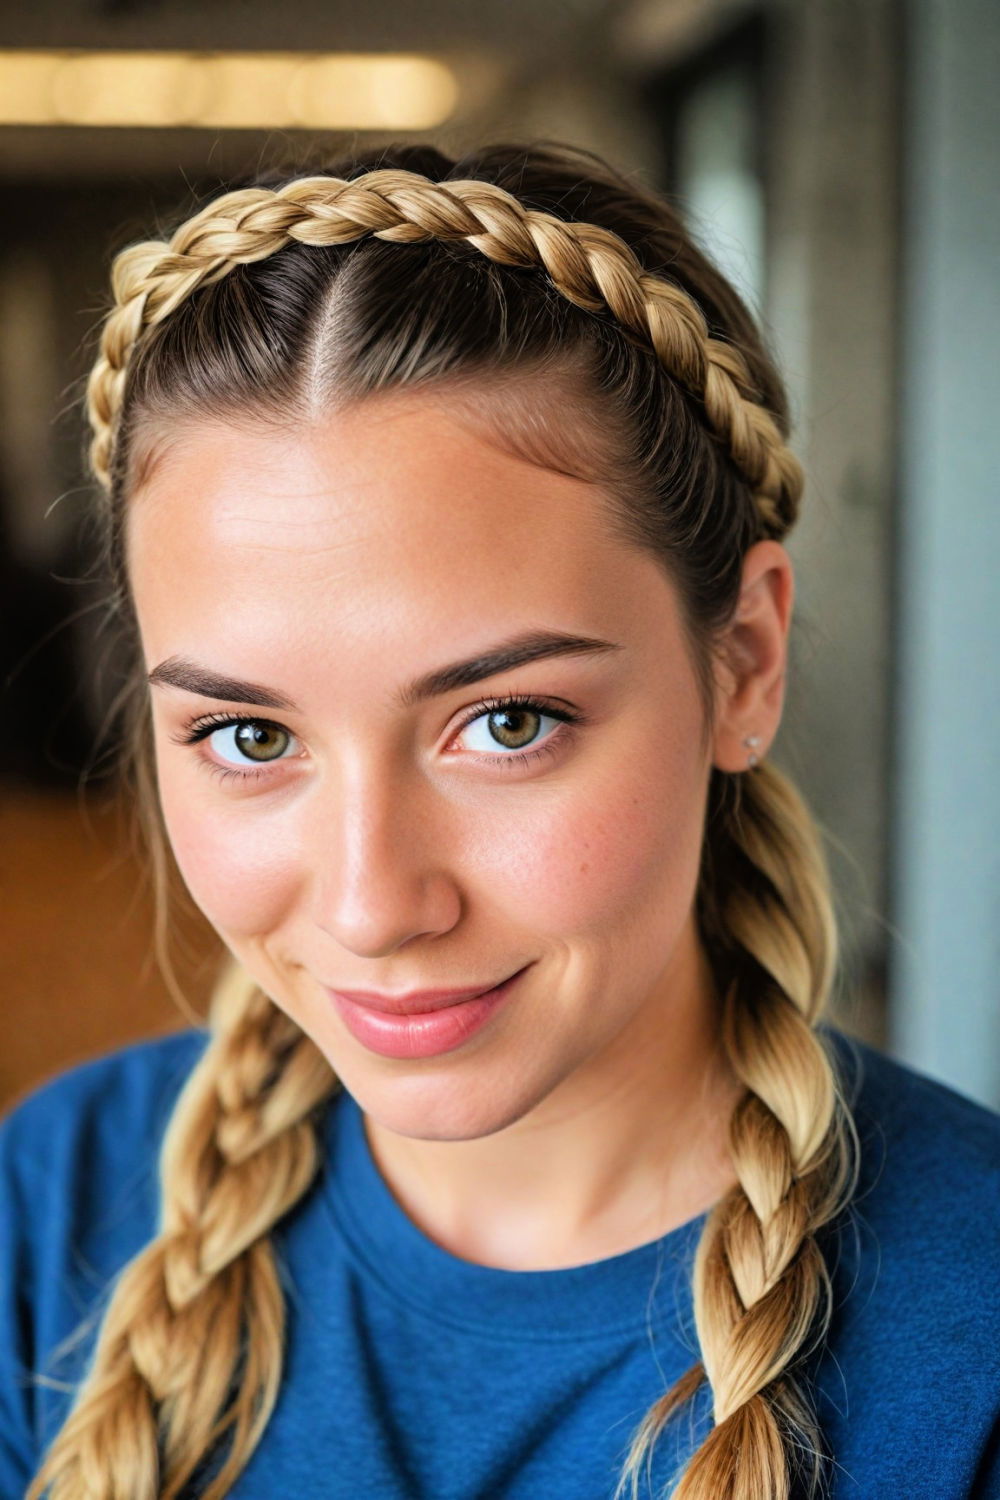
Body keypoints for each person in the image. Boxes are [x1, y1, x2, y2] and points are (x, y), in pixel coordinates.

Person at [1, 140, 997, 1500]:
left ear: (745, 660)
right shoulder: (49, 1208)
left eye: (507, 723)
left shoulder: (976, 1333)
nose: (371, 902)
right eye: (250, 736)